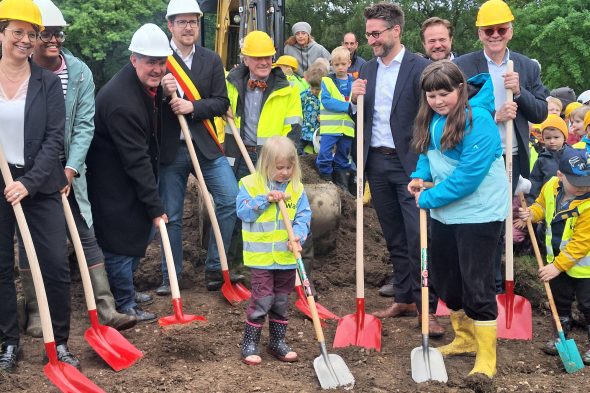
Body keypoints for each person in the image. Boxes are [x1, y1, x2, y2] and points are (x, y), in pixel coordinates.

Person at [17, 0, 137, 335]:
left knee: (85, 234)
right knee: (32, 241)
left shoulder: (80, 72)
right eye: (47, 34)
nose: (54, 40)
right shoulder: (21, 71)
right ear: (33, 36)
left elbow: (85, 125)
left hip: (70, 172)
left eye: (59, 34)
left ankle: (105, 306)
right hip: (30, 174)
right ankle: (37, 312)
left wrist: (70, 169)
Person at [408, 61, 508, 378]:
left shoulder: (479, 122)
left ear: (460, 89)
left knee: (477, 285)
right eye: (432, 95)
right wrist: (419, 177)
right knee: (447, 282)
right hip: (445, 213)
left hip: (479, 213)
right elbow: (428, 154)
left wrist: (427, 197)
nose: (438, 101)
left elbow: (467, 178)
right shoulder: (433, 119)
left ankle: (486, 359)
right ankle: (464, 338)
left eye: (444, 94)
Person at [350, 2, 444, 336]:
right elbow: (363, 117)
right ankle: (404, 298)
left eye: (376, 34)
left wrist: (427, 165)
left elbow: (437, 111)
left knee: (420, 236)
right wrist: (353, 101)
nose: (371, 40)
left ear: (396, 31)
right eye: (368, 35)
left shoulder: (420, 68)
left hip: (411, 165)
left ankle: (427, 308)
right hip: (376, 161)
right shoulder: (369, 70)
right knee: (394, 236)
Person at [0, 0, 79, 371]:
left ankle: (59, 342)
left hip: (39, 187)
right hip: (0, 186)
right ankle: (8, 343)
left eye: (31, 34)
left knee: (53, 266)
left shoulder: (46, 83)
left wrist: (28, 184)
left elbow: (54, 140)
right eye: (18, 32)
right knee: (1, 267)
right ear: (2, 32)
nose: (25, 40)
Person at [454, 0, 549, 292]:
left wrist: (519, 92)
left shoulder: (526, 66)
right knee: (477, 220)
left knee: (498, 223)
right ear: (480, 33)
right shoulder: (463, 65)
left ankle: (495, 286)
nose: (495, 35)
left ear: (510, 30)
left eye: (501, 29)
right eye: (488, 30)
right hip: (478, 155)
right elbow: (452, 112)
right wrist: (494, 115)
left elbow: (541, 113)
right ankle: (475, 284)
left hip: (512, 156)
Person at [86, 23, 171, 324]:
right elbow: (135, 161)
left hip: (127, 174)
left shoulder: (144, 86)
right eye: (151, 62)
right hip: (114, 181)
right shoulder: (121, 101)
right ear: (134, 59)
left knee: (139, 232)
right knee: (121, 242)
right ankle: (124, 303)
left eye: (162, 62)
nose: (157, 69)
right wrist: (155, 205)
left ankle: (128, 292)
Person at [157, 0, 241, 294]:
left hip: (205, 145)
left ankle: (216, 269)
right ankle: (172, 277)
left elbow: (221, 102)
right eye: (182, 22)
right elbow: (144, 104)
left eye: (193, 21)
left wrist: (192, 105)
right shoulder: (159, 59)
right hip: (170, 150)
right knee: (171, 214)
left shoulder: (211, 59)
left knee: (231, 200)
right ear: (170, 25)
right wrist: (162, 95)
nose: (188, 27)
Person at [225, 30, 306, 277]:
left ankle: (281, 263)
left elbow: (293, 129)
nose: (263, 63)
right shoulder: (230, 82)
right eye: (257, 58)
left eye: (268, 57)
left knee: (278, 209)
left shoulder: (288, 88)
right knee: (239, 210)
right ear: (245, 59)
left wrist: (279, 161)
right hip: (239, 155)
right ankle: (237, 265)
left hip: (271, 160)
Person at [237, 136, 311, 365]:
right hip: (261, 259)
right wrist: (264, 200)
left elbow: (304, 216)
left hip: (287, 258)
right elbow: (243, 211)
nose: (285, 172)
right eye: (279, 168)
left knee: (280, 301)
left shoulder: (296, 189)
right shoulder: (250, 184)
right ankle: (249, 343)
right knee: (262, 300)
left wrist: (298, 234)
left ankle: (277, 342)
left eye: (289, 167)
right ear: (266, 165)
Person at [518, 148, 590, 365]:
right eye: (576, 182)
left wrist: (557, 267)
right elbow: (542, 205)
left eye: (586, 182)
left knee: (588, 305)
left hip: (585, 268)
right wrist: (532, 213)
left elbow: (581, 244)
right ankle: (561, 335)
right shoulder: (550, 187)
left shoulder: (587, 205)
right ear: (560, 175)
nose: (583, 187)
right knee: (560, 301)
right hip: (556, 262)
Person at [316, 46, 355, 191]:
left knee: (344, 156)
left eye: (343, 64)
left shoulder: (355, 82)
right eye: (336, 65)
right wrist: (348, 107)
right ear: (332, 64)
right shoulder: (327, 81)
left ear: (349, 63)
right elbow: (326, 101)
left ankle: (342, 185)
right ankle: (325, 178)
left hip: (347, 129)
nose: (340, 67)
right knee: (325, 153)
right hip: (330, 128)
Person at [528, 115, 570, 201]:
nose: (552, 141)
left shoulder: (572, 156)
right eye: (548, 138)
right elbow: (535, 183)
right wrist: (532, 203)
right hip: (547, 201)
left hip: (569, 201)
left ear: (564, 137)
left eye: (556, 137)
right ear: (543, 139)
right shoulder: (541, 160)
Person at [299, 64, 326, 155]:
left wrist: (324, 117)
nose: (314, 91)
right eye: (311, 87)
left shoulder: (325, 98)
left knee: (316, 154)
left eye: (317, 89)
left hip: (318, 133)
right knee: (298, 151)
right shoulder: (304, 95)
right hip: (304, 131)